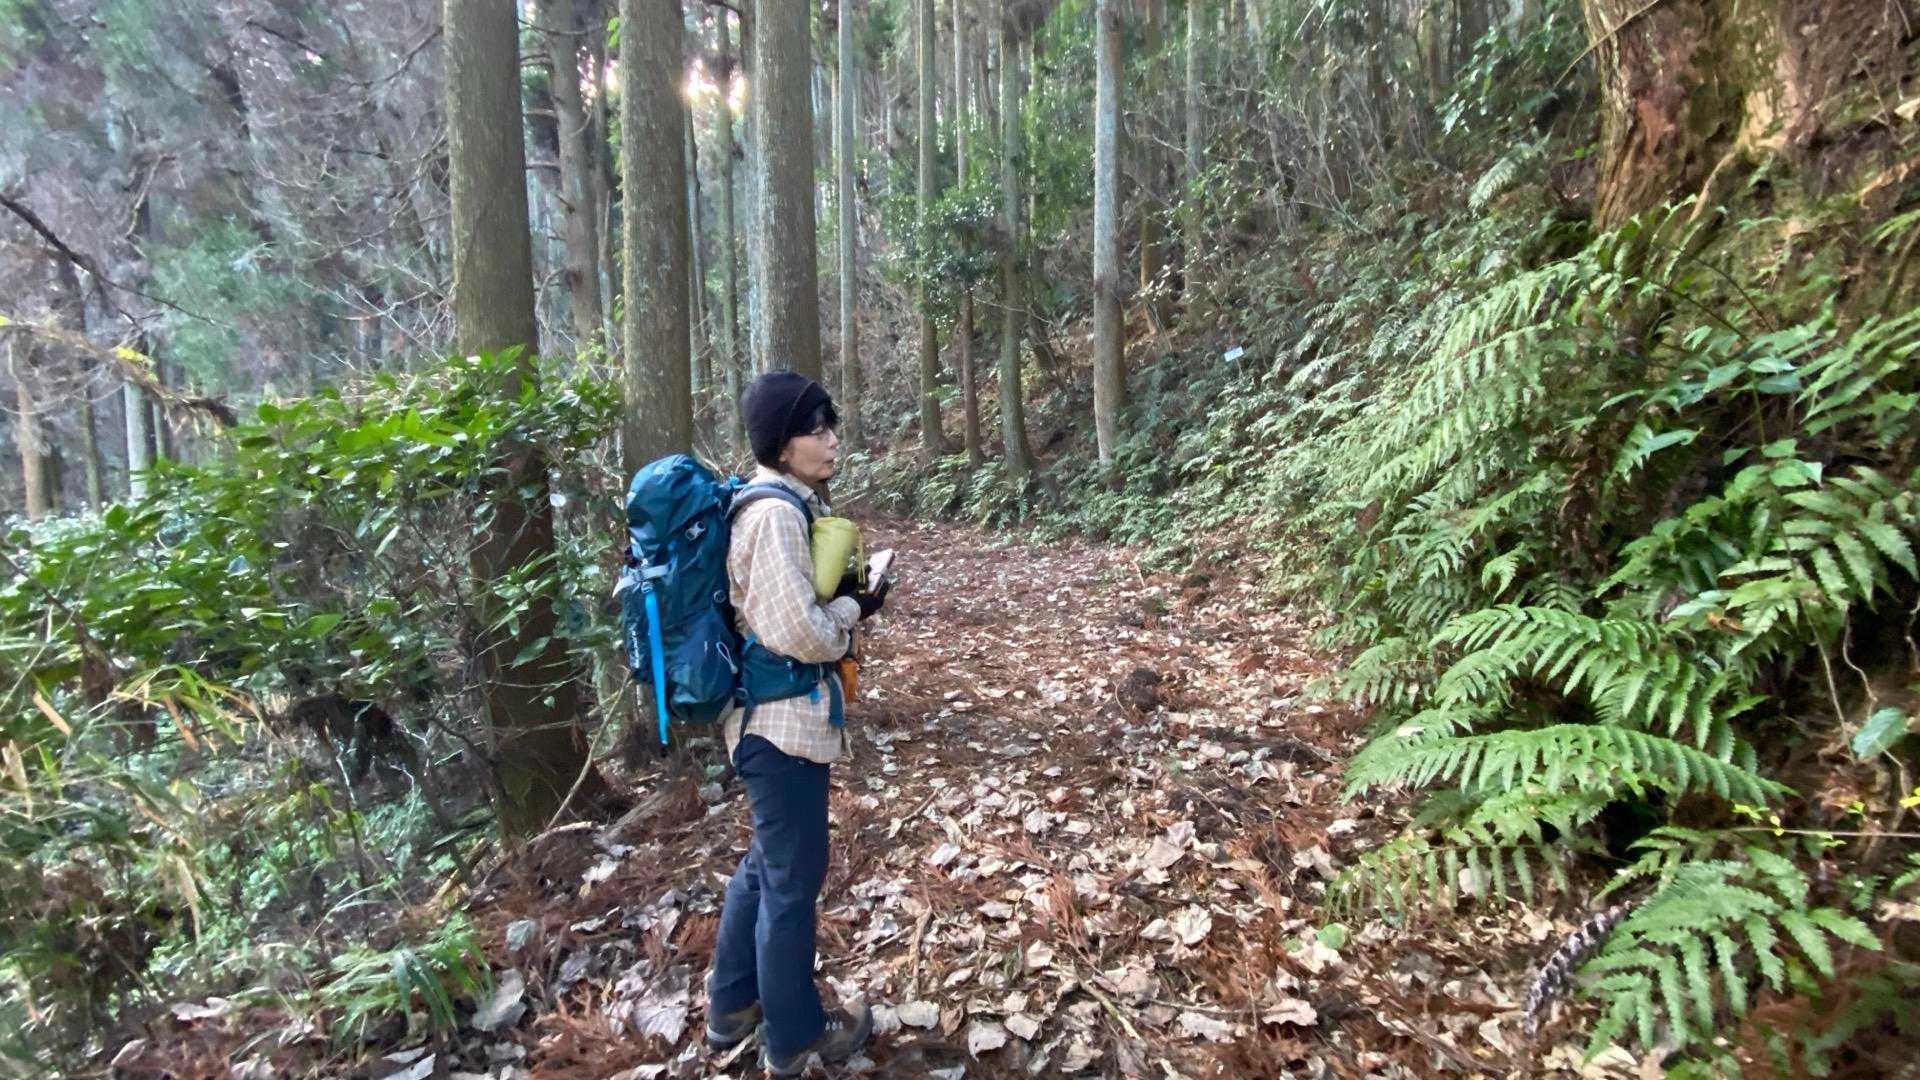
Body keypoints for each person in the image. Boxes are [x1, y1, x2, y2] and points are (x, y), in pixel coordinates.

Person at [704, 370, 887, 1076]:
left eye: (830, 425)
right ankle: (795, 1037)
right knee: (792, 877)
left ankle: (733, 1006)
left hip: (772, 723)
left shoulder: (779, 505)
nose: (832, 440)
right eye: (817, 429)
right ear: (782, 443)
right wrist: (854, 610)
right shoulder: (775, 515)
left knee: (768, 864)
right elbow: (800, 632)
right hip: (778, 727)